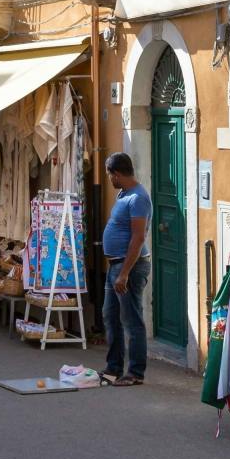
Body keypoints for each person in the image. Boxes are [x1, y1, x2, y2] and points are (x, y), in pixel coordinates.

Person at [98, 151, 151, 386]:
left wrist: (125, 273)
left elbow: (138, 238)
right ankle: (113, 368)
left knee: (131, 319)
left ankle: (135, 373)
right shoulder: (124, 194)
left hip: (128, 267)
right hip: (115, 266)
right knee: (110, 316)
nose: (109, 179)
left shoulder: (138, 198)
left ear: (117, 174)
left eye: (110, 174)